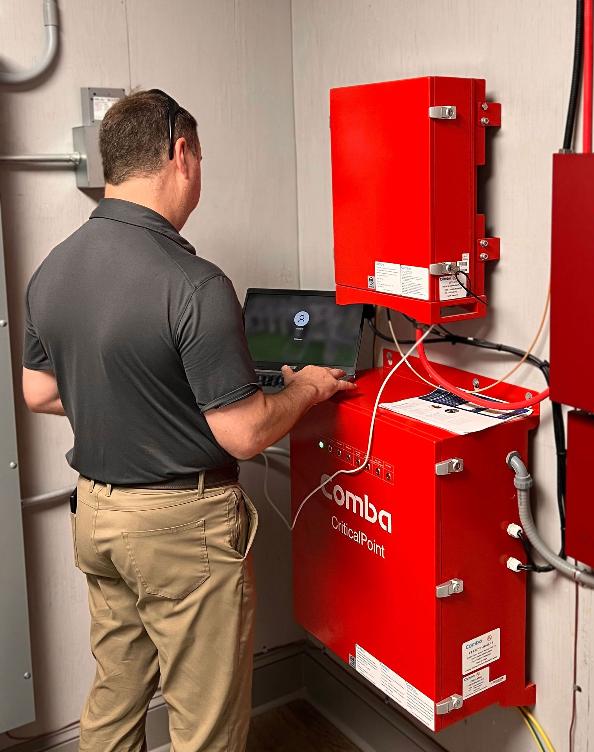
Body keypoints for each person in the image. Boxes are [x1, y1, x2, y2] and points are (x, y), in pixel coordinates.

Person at [22, 89, 354, 752]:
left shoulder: (53, 267)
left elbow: (39, 391)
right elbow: (245, 432)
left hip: (98, 516)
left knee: (115, 697)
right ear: (181, 154)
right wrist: (308, 389)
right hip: (180, 531)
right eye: (199, 156)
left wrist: (143, 397)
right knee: (206, 724)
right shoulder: (193, 282)